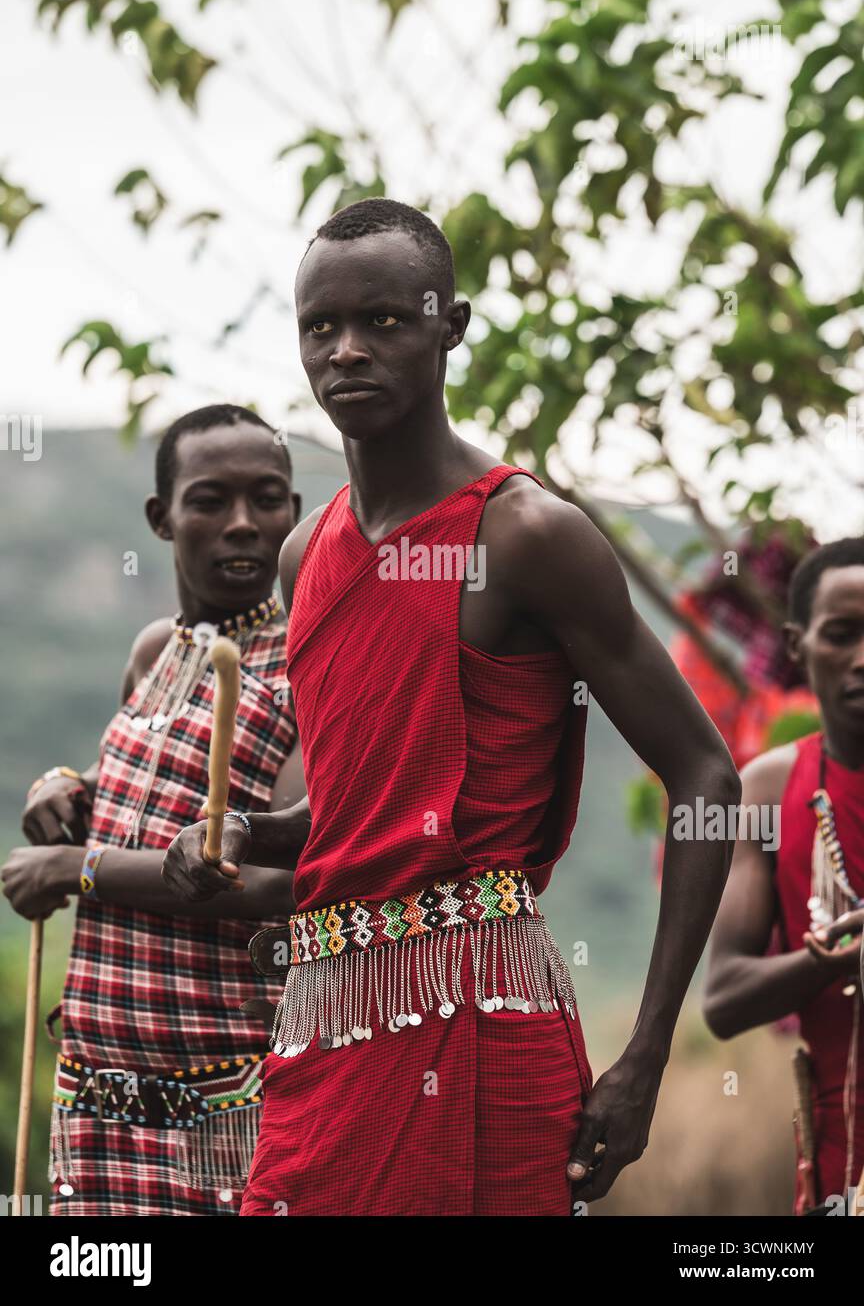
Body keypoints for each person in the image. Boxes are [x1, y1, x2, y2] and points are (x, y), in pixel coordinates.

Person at [163, 198, 740, 1217]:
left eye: (383, 320)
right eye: (320, 328)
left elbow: (704, 771)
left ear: (451, 325)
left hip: (480, 1024)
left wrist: (646, 1055)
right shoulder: (307, 554)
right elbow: (349, 811)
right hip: (325, 1031)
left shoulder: (524, 535)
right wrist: (238, 832)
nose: (347, 351)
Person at [2, 404, 304, 1216]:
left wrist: (78, 868)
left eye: (267, 499)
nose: (243, 525)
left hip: (226, 1100)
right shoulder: (153, 651)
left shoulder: (306, 668)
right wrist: (62, 792)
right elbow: (129, 795)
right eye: (210, 500)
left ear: (295, 515)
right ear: (160, 518)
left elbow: (286, 882)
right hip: (98, 1093)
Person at [704, 538, 864, 1213]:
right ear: (796, 646)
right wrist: (831, 958)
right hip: (841, 1162)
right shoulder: (769, 792)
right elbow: (725, 995)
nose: (863, 658)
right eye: (841, 635)